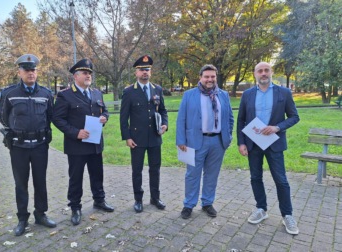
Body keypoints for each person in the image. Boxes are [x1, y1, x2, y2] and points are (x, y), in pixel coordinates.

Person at [237, 62, 300, 235]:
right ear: (255, 74)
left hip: (275, 143)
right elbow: (241, 120)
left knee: (281, 180)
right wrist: (241, 143)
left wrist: (277, 127)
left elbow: (294, 117)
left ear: (271, 72)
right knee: (255, 177)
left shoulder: (284, 93)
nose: (263, 73)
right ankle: (261, 209)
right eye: (260, 71)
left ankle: (287, 215)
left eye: (266, 70)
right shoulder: (247, 94)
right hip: (253, 144)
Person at [0, 54, 56, 236]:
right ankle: (22, 218)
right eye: (27, 70)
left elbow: (50, 117)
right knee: (20, 183)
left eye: (33, 70)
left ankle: (41, 214)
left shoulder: (46, 94)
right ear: (19, 72)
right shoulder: (9, 93)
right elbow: (3, 116)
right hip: (19, 146)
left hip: (40, 145)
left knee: (40, 181)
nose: (31, 73)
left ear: (37, 72)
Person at [52, 58, 114, 226]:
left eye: (90, 73)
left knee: (97, 175)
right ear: (75, 76)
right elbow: (57, 119)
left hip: (95, 144)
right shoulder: (65, 95)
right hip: (77, 146)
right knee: (76, 178)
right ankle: (75, 207)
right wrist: (75, 132)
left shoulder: (96, 93)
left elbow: (105, 111)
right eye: (85, 73)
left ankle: (99, 201)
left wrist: (104, 118)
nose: (88, 76)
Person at [176, 64, 234, 219]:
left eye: (213, 76)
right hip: (194, 141)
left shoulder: (223, 95)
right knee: (192, 175)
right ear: (200, 77)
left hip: (217, 142)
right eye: (207, 76)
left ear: (216, 77)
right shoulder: (189, 95)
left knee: (212, 174)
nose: (210, 79)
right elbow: (181, 118)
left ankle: (207, 203)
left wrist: (228, 137)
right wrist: (181, 140)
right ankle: (189, 204)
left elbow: (229, 118)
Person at [120, 55, 168, 213]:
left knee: (155, 169)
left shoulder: (157, 89)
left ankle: (155, 198)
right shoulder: (129, 91)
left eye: (147, 70)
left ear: (151, 72)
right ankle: (138, 199)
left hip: (155, 136)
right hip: (137, 138)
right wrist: (127, 137)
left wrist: (165, 124)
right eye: (141, 70)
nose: (145, 72)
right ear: (136, 73)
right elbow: (123, 117)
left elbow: (162, 110)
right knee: (137, 170)